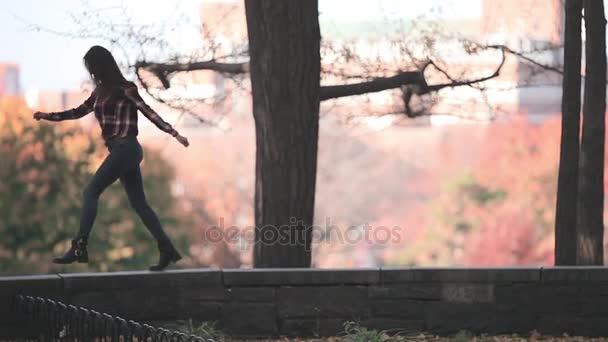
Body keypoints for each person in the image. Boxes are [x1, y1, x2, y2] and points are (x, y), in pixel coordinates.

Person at [33, 45, 189, 271]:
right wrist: (48, 116)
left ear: (101, 65)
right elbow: (78, 111)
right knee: (139, 203)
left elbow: (148, 112)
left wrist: (174, 133)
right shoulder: (99, 92)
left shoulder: (125, 88)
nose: (91, 73)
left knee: (90, 192)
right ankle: (167, 249)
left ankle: (79, 246)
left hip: (127, 148)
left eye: (93, 68)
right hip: (121, 151)